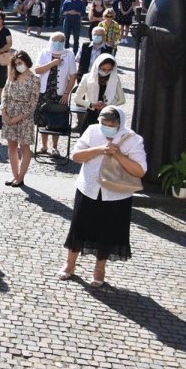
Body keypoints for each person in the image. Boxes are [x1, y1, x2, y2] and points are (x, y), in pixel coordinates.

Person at [59, 106, 146, 287]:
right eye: (103, 124)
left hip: (116, 194)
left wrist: (119, 155)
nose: (106, 128)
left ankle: (99, 269)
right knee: (79, 227)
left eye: (110, 125)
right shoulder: (92, 131)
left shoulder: (132, 139)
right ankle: (70, 264)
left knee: (107, 231)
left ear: (119, 124)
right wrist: (99, 149)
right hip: (88, 188)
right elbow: (76, 156)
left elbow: (140, 170)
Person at [1, 51, 40, 187]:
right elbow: (4, 94)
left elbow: (33, 103)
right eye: (16, 64)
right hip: (9, 113)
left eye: (20, 63)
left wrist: (17, 118)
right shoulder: (12, 76)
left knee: (24, 146)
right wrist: (4, 113)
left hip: (24, 117)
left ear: (26, 62)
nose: (18, 66)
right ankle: (15, 175)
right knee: (11, 146)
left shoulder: (35, 80)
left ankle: (21, 177)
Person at [35, 32, 77, 155]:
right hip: (44, 91)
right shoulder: (44, 52)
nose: (58, 43)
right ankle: (44, 146)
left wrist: (66, 93)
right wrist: (53, 63)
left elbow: (73, 76)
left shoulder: (69, 54)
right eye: (55, 40)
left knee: (56, 119)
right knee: (43, 119)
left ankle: (54, 147)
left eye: (60, 40)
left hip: (59, 93)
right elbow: (37, 70)